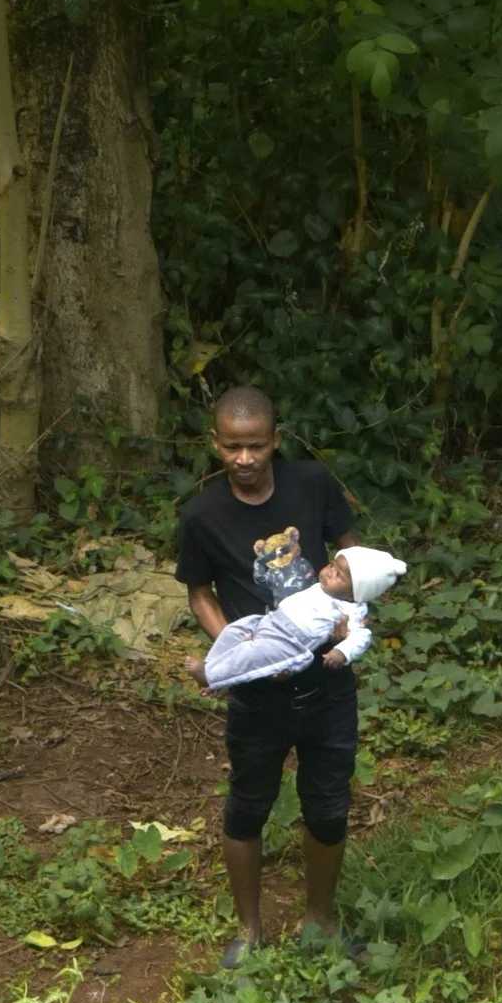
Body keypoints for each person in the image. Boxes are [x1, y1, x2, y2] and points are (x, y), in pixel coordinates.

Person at [175, 386, 367, 962]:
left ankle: (320, 921)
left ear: (275, 441)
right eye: (233, 447)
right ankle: (249, 931)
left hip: (327, 686)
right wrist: (240, 650)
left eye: (256, 445)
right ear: (216, 444)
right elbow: (199, 594)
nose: (245, 459)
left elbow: (352, 555)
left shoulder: (312, 484)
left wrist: (350, 613)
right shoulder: (202, 514)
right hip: (260, 693)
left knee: (328, 805)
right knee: (247, 805)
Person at [198, 543, 406, 690]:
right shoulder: (323, 588)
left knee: (252, 655)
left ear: (355, 593)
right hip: (270, 622)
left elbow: (361, 636)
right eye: (332, 565)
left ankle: (211, 677)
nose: (329, 571)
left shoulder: (352, 609)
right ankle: (211, 669)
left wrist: (341, 652)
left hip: (290, 642)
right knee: (234, 631)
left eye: (339, 575)